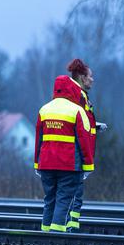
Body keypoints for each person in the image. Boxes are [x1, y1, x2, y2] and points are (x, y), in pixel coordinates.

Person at [34, 75, 95, 232]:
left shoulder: (44, 110)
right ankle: (56, 236)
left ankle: (45, 234)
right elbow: (84, 140)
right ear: (71, 88)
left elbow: (38, 140)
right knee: (63, 200)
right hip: (69, 165)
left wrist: (36, 163)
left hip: (46, 164)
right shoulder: (77, 111)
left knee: (49, 199)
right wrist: (88, 165)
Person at [65, 58, 107, 232]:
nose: (92, 79)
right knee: (75, 193)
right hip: (76, 152)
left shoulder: (76, 95)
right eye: (90, 76)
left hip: (75, 151)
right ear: (82, 77)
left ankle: (70, 226)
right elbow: (78, 123)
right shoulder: (79, 97)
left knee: (72, 193)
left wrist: (94, 126)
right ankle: (71, 228)